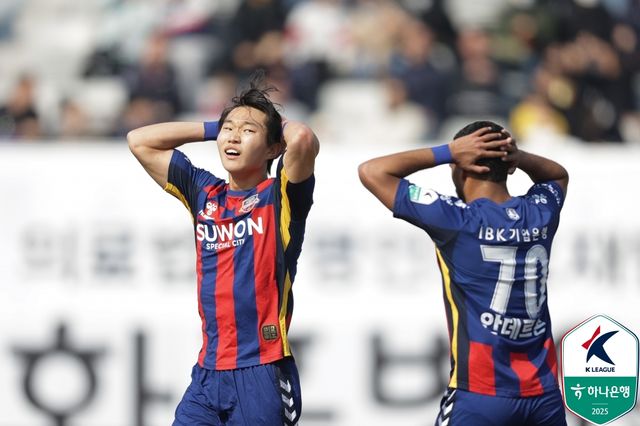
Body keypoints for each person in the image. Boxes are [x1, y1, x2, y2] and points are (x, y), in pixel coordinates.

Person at [127, 73, 319, 425]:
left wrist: (276, 124)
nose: (233, 136)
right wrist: (215, 127)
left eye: (248, 131)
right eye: (228, 129)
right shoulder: (204, 192)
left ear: (273, 148)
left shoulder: (280, 196)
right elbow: (139, 141)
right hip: (208, 373)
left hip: (262, 369)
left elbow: (303, 138)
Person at [358, 120, 568, 426]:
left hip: (480, 393)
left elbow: (372, 171)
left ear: (462, 165)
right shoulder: (540, 213)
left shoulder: (456, 220)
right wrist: (520, 157)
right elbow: (558, 175)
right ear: (509, 166)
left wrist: (448, 151)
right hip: (543, 396)